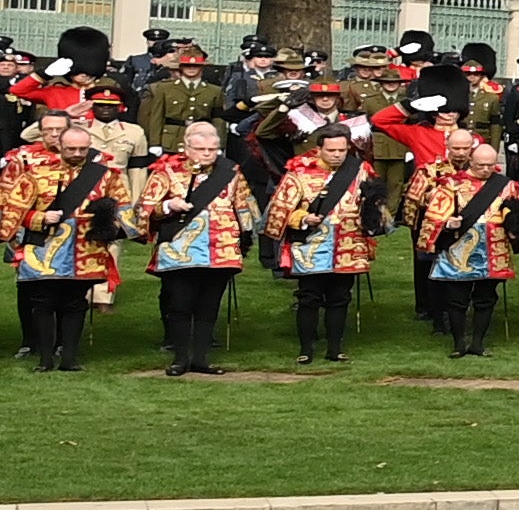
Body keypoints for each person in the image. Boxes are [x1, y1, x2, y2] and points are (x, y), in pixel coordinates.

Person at [141, 120, 258, 375]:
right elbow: (146, 209)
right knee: (181, 304)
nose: (208, 154)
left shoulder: (231, 171)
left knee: (209, 306)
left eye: (213, 149)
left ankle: (202, 359)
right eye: (201, 149)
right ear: (186, 148)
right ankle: (180, 358)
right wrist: (169, 206)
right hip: (179, 250)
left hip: (221, 249)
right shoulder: (166, 172)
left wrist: (245, 237)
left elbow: (244, 205)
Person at [4, 124, 123, 372]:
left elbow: (124, 207)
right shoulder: (36, 173)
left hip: (85, 248)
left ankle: (70, 358)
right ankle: (45, 359)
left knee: (75, 303)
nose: (78, 153)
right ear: (59, 145)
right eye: (72, 148)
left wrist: (110, 224)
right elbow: (13, 210)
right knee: (44, 302)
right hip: (43, 248)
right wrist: (38, 218)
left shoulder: (106, 174)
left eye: (83, 148)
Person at [267, 124, 380, 363]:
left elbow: (375, 209)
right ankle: (306, 349)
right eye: (331, 150)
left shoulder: (361, 171)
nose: (337, 154)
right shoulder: (299, 173)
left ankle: (335, 349)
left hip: (348, 245)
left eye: (342, 150)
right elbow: (278, 212)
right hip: (310, 247)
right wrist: (303, 218)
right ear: (319, 149)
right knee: (309, 298)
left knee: (340, 298)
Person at [423, 143, 519, 358]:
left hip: (493, 248)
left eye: (490, 165)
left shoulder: (506, 186)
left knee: (486, 298)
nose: (485, 170)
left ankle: (478, 342)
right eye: (480, 165)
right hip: (459, 248)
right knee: (457, 298)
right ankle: (458, 343)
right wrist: (449, 222)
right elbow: (434, 215)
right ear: (471, 161)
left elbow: (518, 213)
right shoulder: (451, 184)